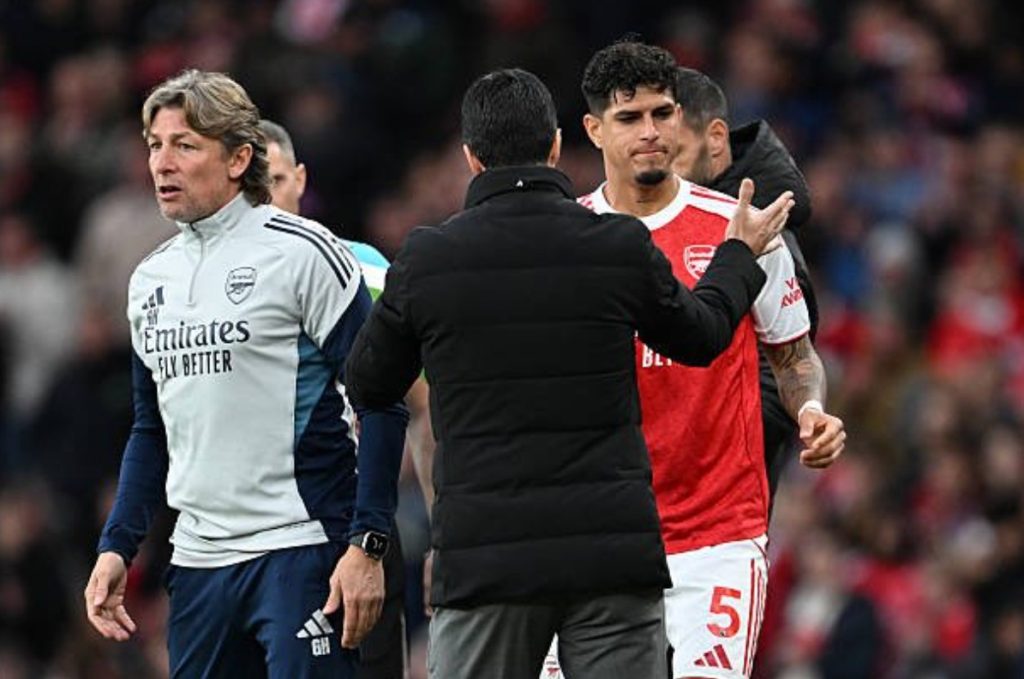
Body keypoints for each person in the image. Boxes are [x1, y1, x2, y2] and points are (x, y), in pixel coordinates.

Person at [344, 67, 794, 679]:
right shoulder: (615, 246)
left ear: (472, 158)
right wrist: (736, 256)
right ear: (558, 144)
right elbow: (703, 336)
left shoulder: (428, 260)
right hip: (612, 559)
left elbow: (368, 384)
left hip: (486, 561)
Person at [83, 70, 408, 679]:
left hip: (302, 550)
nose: (162, 162)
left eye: (185, 145)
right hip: (199, 565)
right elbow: (150, 431)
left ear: (238, 158)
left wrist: (368, 545)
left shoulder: (307, 253)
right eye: (154, 144)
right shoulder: (150, 280)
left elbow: (383, 404)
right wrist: (117, 546)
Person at [575, 41, 845, 679]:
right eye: (629, 118)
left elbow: (794, 355)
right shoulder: (567, 237)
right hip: (598, 536)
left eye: (663, 114)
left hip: (718, 533)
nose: (651, 133)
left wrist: (810, 409)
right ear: (593, 130)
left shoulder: (744, 230)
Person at [260, 117, 430, 679]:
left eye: (279, 181)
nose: (269, 200)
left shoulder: (365, 271)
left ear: (301, 179)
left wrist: (444, 536)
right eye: (256, 187)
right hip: (251, 539)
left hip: (353, 531)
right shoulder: (206, 289)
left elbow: (428, 405)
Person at [671, 68, 821, 503]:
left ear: (716, 138)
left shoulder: (764, 235)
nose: (663, 175)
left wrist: (682, 418)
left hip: (719, 497)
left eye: (676, 154)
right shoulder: (659, 221)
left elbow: (784, 375)